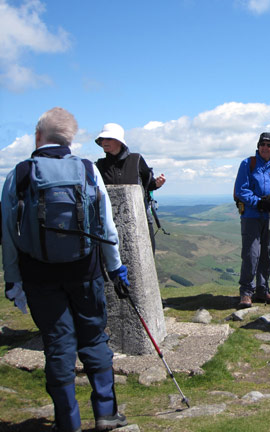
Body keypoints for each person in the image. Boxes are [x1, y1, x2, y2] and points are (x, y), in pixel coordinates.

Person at [1, 107, 130, 431]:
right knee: (94, 339)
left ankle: (67, 422)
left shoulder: (20, 173)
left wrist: (12, 280)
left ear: (38, 136)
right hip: (84, 271)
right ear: (70, 139)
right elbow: (107, 228)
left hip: (38, 274)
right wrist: (115, 269)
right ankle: (106, 413)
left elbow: (8, 234)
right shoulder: (87, 169)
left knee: (58, 344)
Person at [234, 132, 270, 308]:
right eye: (262, 144)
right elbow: (241, 190)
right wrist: (258, 203)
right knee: (251, 254)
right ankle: (246, 292)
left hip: (269, 217)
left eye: (269, 145)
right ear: (258, 146)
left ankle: (262, 290)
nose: (265, 148)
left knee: (265, 254)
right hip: (251, 216)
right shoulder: (248, 164)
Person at [95, 123, 166, 253]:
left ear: (119, 141)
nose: (104, 142)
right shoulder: (99, 165)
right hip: (111, 222)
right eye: (102, 139)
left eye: (109, 138)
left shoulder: (136, 160)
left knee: (145, 256)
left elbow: (148, 184)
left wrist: (157, 184)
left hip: (140, 219)